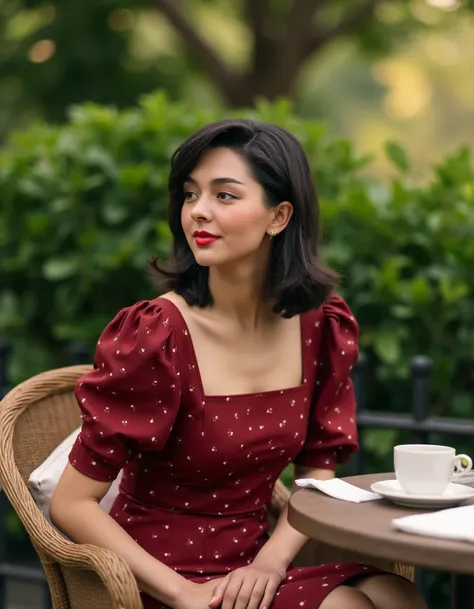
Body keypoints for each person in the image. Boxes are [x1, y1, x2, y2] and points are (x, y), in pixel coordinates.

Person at [50, 119, 427, 609]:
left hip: (255, 572)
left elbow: (317, 476)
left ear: (279, 216)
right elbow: (71, 503)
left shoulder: (319, 325)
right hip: (160, 579)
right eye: (190, 195)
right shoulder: (160, 335)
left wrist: (271, 562)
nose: (198, 213)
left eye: (224, 196)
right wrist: (184, 592)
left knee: (399, 594)